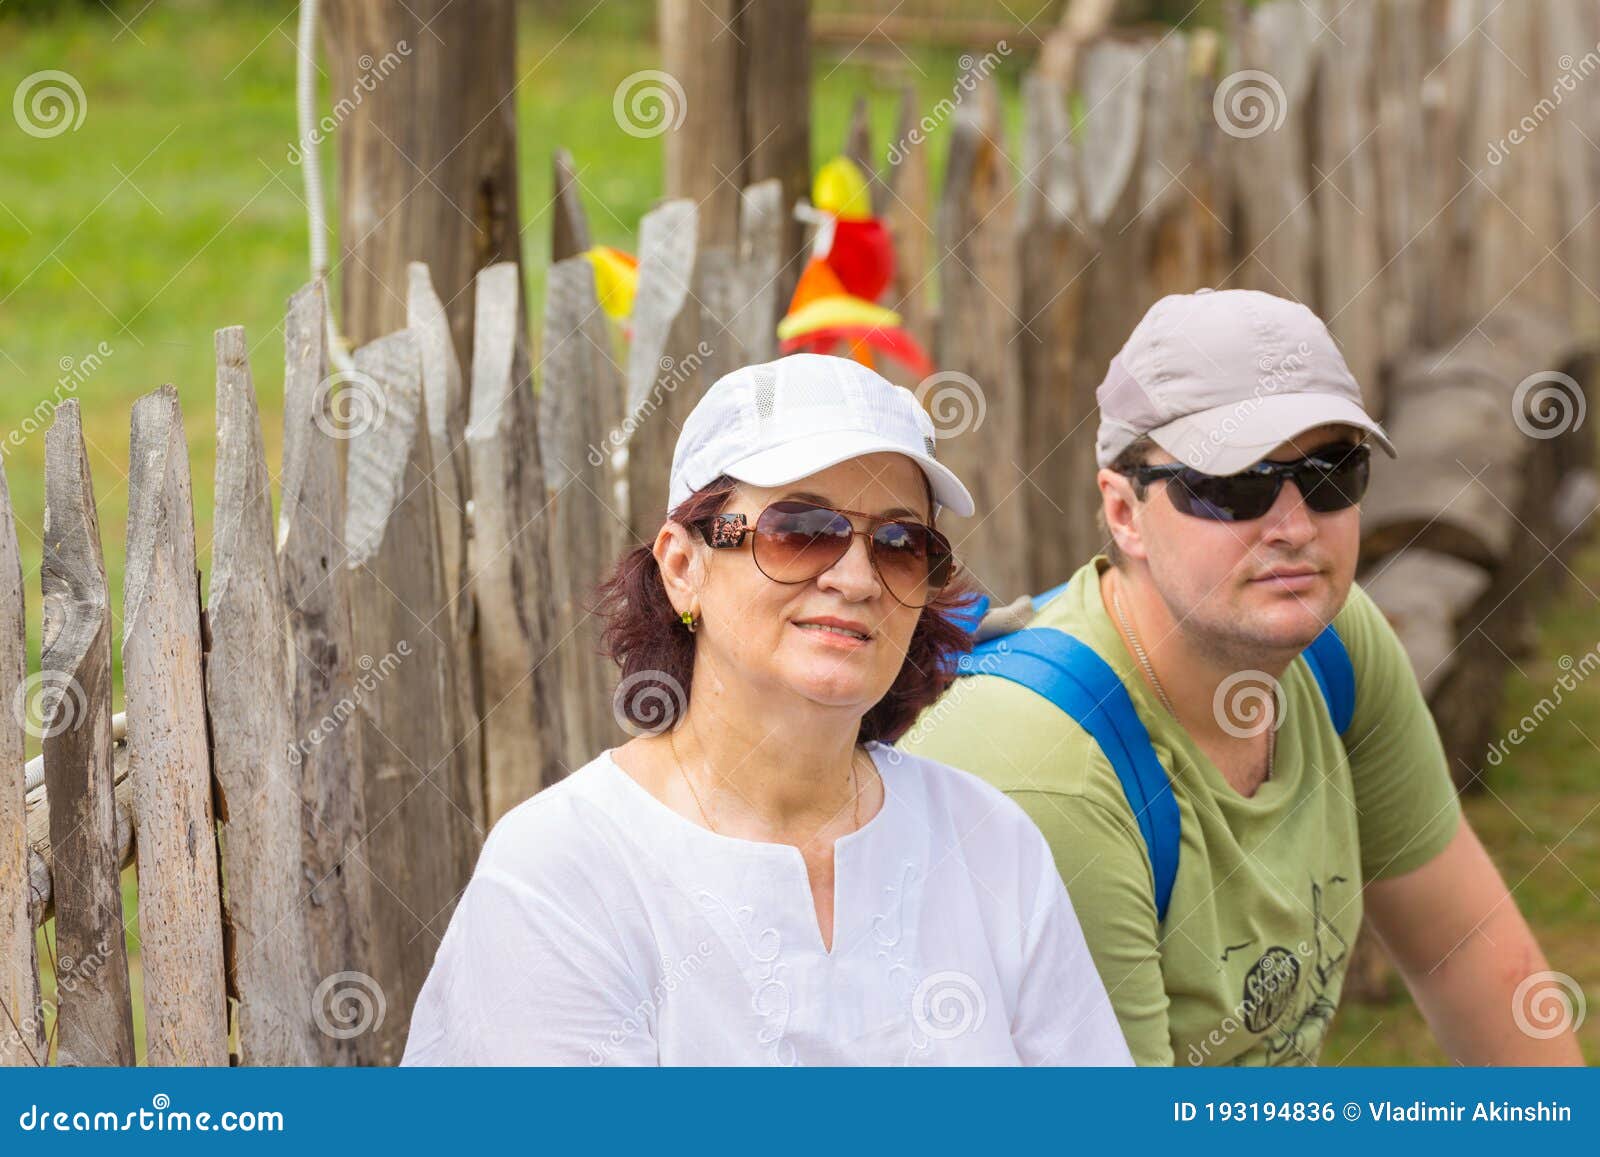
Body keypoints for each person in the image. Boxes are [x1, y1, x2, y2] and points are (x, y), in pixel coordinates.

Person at [897, 289, 1585, 1066]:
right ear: (1125, 511)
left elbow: (1473, 958)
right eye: (1234, 485)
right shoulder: (1051, 773)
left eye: (1332, 473)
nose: (1293, 526)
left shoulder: (1335, 643)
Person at [401, 353, 1133, 1066]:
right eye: (802, 530)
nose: (855, 578)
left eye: (901, 543)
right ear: (683, 566)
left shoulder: (990, 843)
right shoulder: (564, 873)